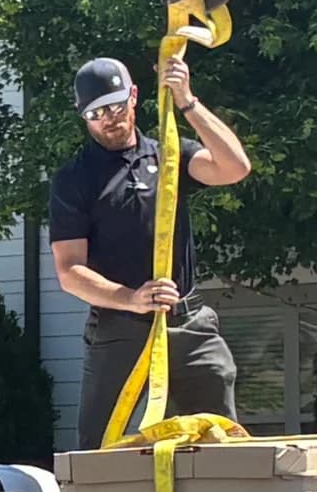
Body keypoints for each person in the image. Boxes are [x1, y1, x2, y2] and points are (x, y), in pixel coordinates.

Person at [49, 52, 252, 449]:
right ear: (82, 117)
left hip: (187, 321)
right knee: (99, 449)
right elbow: (69, 271)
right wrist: (131, 298)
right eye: (95, 113)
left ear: (134, 96)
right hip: (120, 327)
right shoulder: (74, 179)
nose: (109, 118)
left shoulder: (170, 154)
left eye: (115, 104)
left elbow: (235, 167)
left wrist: (187, 102)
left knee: (221, 441)